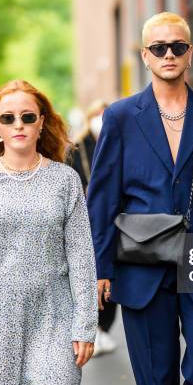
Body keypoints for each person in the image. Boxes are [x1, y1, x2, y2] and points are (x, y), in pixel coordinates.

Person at [87, 12, 193, 385]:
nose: (168, 55)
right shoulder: (121, 117)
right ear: (145, 56)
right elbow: (103, 196)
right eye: (159, 48)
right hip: (141, 266)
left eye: (177, 47)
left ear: (190, 53)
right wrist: (100, 267)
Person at [0, 79, 98, 385]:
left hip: (56, 319)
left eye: (28, 117)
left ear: (41, 123)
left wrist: (85, 324)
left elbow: (81, 256)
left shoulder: (66, 180)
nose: (19, 124)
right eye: (8, 117)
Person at [70, 100, 118, 356]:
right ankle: (92, 328)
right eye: (96, 114)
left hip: (113, 219)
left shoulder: (117, 139)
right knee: (91, 273)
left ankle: (104, 328)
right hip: (85, 219)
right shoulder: (77, 148)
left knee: (111, 273)